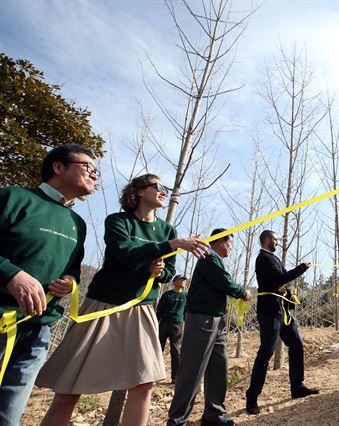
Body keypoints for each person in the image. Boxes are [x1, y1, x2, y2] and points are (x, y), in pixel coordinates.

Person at [36, 174, 210, 426]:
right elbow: (125, 253)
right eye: (157, 187)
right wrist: (169, 245)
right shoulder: (118, 221)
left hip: (140, 309)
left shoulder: (167, 230)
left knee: (143, 383)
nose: (164, 192)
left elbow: (170, 273)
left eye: (166, 188)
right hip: (102, 306)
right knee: (69, 388)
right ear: (139, 191)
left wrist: (160, 271)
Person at [0, 144, 98, 424]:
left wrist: (70, 283)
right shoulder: (14, 198)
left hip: (38, 331)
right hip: (2, 318)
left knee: (10, 414)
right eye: (87, 167)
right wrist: (11, 274)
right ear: (58, 167)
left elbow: (73, 270)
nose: (94, 174)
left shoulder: (77, 223)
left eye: (96, 171)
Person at [168, 228, 251, 426]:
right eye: (230, 243)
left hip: (217, 320)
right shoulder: (208, 258)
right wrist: (243, 292)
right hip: (201, 320)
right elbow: (225, 283)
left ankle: (213, 415)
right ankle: (177, 420)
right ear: (220, 242)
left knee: (219, 366)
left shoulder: (215, 260)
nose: (231, 248)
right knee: (192, 369)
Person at [245, 230, 317, 415]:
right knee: (266, 352)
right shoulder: (263, 258)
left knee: (296, 345)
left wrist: (288, 290)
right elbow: (280, 278)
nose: (277, 242)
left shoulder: (273, 258)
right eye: (275, 239)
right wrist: (302, 268)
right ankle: (252, 399)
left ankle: (297, 386)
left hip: (281, 310)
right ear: (267, 240)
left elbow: (280, 281)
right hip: (269, 311)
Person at [157, 274, 188, 383]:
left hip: (177, 326)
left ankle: (175, 378)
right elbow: (159, 311)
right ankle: (155, 375)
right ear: (175, 282)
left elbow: (186, 312)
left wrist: (185, 324)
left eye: (184, 280)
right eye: (181, 280)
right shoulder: (167, 295)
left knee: (176, 351)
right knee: (158, 349)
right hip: (164, 324)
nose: (183, 282)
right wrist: (156, 323)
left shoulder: (186, 296)